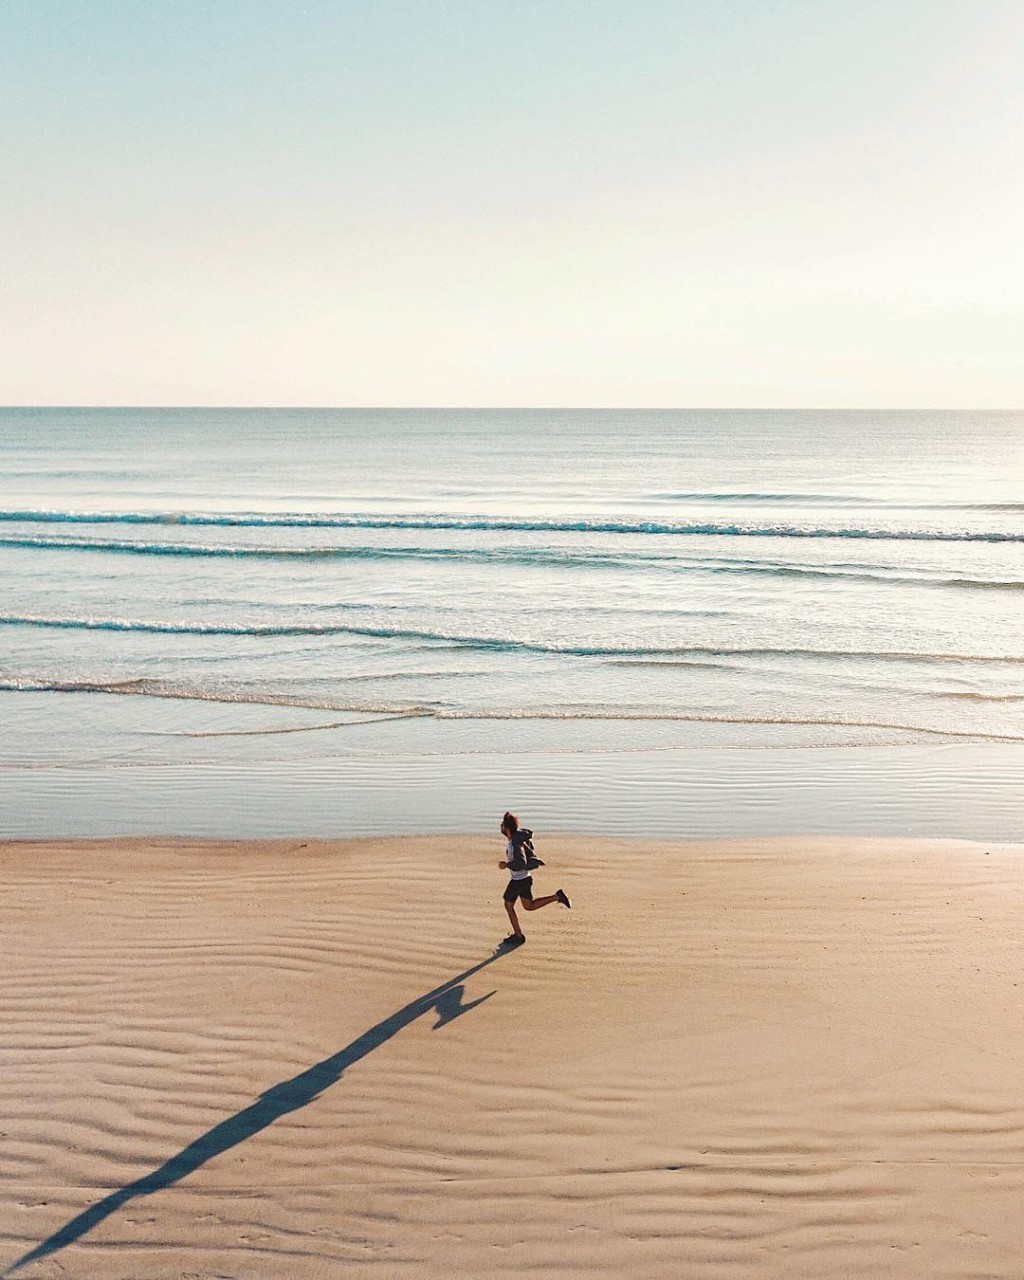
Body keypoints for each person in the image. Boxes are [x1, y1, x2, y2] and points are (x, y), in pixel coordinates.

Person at [498, 811, 570, 946]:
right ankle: (557, 897)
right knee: (528, 906)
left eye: (502, 825)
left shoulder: (514, 844)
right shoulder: (517, 839)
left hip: (518, 880)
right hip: (524, 879)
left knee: (509, 905)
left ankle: (518, 936)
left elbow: (520, 863)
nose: (500, 827)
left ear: (507, 829)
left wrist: (506, 865)